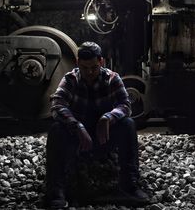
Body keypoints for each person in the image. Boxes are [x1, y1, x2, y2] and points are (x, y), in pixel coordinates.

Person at [46, 41, 149, 209]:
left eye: (93, 67)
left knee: (128, 125)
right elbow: (57, 105)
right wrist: (76, 126)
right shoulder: (70, 79)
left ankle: (130, 185)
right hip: (79, 138)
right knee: (56, 129)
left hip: (104, 137)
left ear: (101, 62)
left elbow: (125, 105)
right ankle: (56, 189)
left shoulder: (112, 78)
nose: (89, 72)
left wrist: (108, 118)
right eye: (85, 68)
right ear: (78, 63)